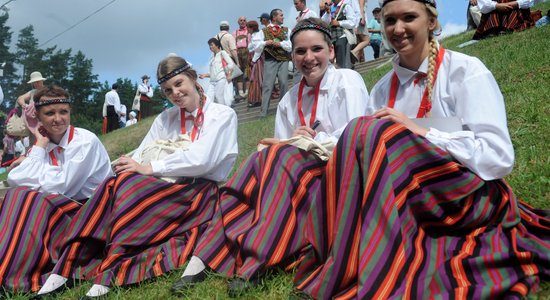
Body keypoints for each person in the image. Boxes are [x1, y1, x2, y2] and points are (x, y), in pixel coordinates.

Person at [293, 0, 550, 298]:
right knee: (358, 134)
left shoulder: (465, 71)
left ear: (430, 22)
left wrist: (420, 132)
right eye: (390, 21)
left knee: (371, 129)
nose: (398, 29)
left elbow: (498, 157)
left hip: (463, 199)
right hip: (406, 205)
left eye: (409, 18)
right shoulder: (381, 90)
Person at [171, 18, 369, 297]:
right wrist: (291, 143)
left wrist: (307, 142)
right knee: (258, 162)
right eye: (300, 52)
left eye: (316, 49)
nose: (308, 58)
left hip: (337, 172)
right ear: (292, 57)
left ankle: (254, 260)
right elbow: (279, 144)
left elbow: (357, 136)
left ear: (332, 52)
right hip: (294, 171)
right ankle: (203, 257)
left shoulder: (346, 80)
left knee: (280, 158)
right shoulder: (289, 99)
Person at [38, 55, 238, 298]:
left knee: (128, 185)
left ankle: (110, 269)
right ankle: (66, 265)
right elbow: (144, 151)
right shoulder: (168, 117)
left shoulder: (222, 114)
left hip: (199, 192)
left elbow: (203, 160)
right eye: (167, 90)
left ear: (193, 78)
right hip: (166, 186)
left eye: (179, 84)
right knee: (115, 181)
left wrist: (149, 167)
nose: (175, 93)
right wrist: (129, 163)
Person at [0, 85, 112, 293]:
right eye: (50, 113)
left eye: (63, 112)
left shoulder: (84, 141)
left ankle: (12, 276)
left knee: (28, 199)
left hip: (90, 214)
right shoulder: (44, 144)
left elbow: (60, 187)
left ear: (70, 113)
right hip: (63, 207)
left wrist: (36, 172)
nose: (58, 119)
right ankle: (11, 265)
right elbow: (15, 178)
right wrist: (39, 146)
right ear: (39, 118)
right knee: (16, 196)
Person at [257, 9, 292, 117]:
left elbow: (290, 45)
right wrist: (265, 42)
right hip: (270, 59)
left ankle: (284, 110)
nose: (283, 17)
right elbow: (255, 46)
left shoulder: (286, 30)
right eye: (281, 15)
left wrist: (280, 44)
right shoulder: (263, 31)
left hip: (283, 59)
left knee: (284, 83)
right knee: (267, 85)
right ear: (274, 17)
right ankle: (263, 112)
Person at [473, 0, 539, 40]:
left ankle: (511, 27)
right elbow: (483, 3)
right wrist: (496, 5)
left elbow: (529, 1)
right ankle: (493, 30)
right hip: (493, 12)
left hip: (516, 9)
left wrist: (514, 4)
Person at [320, 0, 359, 69]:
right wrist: (328, 12)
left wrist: (339, 23)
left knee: (343, 61)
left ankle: (346, 76)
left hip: (342, 36)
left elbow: (352, 22)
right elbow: (323, 22)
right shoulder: (330, 8)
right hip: (332, 38)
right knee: (332, 61)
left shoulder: (346, 6)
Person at [200, 38, 236, 107]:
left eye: (211, 45)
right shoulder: (212, 57)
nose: (210, 47)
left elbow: (231, 64)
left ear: (217, 45)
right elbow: (212, 72)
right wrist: (204, 75)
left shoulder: (222, 53)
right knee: (209, 99)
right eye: (209, 45)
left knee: (219, 96)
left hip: (221, 78)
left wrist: (229, 75)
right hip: (212, 81)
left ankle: (224, 112)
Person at [246, 20, 264, 107]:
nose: (247, 30)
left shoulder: (257, 36)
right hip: (254, 59)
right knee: (255, 78)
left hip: (257, 60)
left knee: (256, 79)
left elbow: (259, 49)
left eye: (248, 28)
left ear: (252, 28)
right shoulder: (253, 35)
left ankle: (258, 98)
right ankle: (257, 98)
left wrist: (254, 60)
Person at [233, 16, 251, 99]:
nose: (243, 22)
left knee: (248, 72)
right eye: (241, 20)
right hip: (238, 53)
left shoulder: (249, 31)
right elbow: (233, 45)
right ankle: (240, 92)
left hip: (247, 52)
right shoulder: (235, 33)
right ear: (238, 22)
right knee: (239, 73)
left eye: (244, 20)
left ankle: (247, 91)